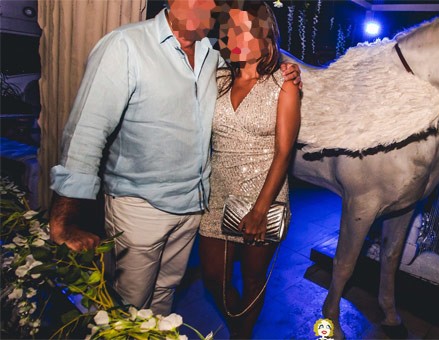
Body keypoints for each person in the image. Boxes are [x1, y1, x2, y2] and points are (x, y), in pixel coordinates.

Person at [48, 0, 300, 316]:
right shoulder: (126, 45)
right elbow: (86, 131)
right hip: (140, 208)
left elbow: (259, 64)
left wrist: (288, 66)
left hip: (193, 208)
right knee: (128, 307)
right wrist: (63, 217)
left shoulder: (212, 59)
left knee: (164, 300)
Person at [197, 1, 301, 338]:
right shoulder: (218, 78)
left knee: (254, 278)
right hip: (217, 196)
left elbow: (284, 153)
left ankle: (242, 335)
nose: (234, 37)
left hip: (263, 198)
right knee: (213, 276)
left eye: (244, 29)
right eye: (229, 31)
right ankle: (238, 325)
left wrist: (260, 210)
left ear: (265, 35)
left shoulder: (284, 85)